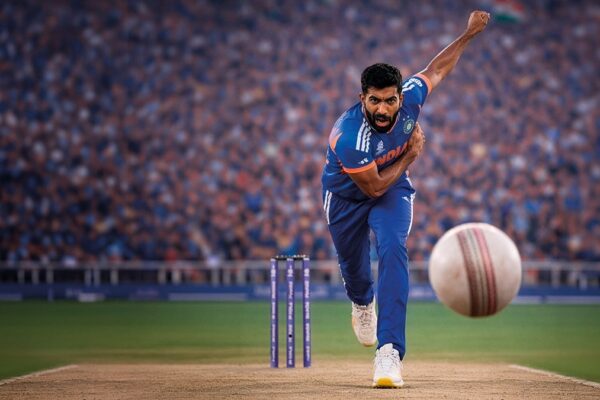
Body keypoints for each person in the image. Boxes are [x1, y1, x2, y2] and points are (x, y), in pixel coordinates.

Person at [321, 10, 490, 388]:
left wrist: (468, 34)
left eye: (390, 100)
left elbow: (438, 68)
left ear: (401, 96)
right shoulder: (349, 137)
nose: (383, 109)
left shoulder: (412, 97)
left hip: (392, 190)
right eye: (374, 101)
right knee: (355, 270)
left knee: (392, 246)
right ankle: (362, 303)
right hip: (348, 196)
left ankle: (390, 351)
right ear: (362, 98)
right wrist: (410, 156)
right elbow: (373, 188)